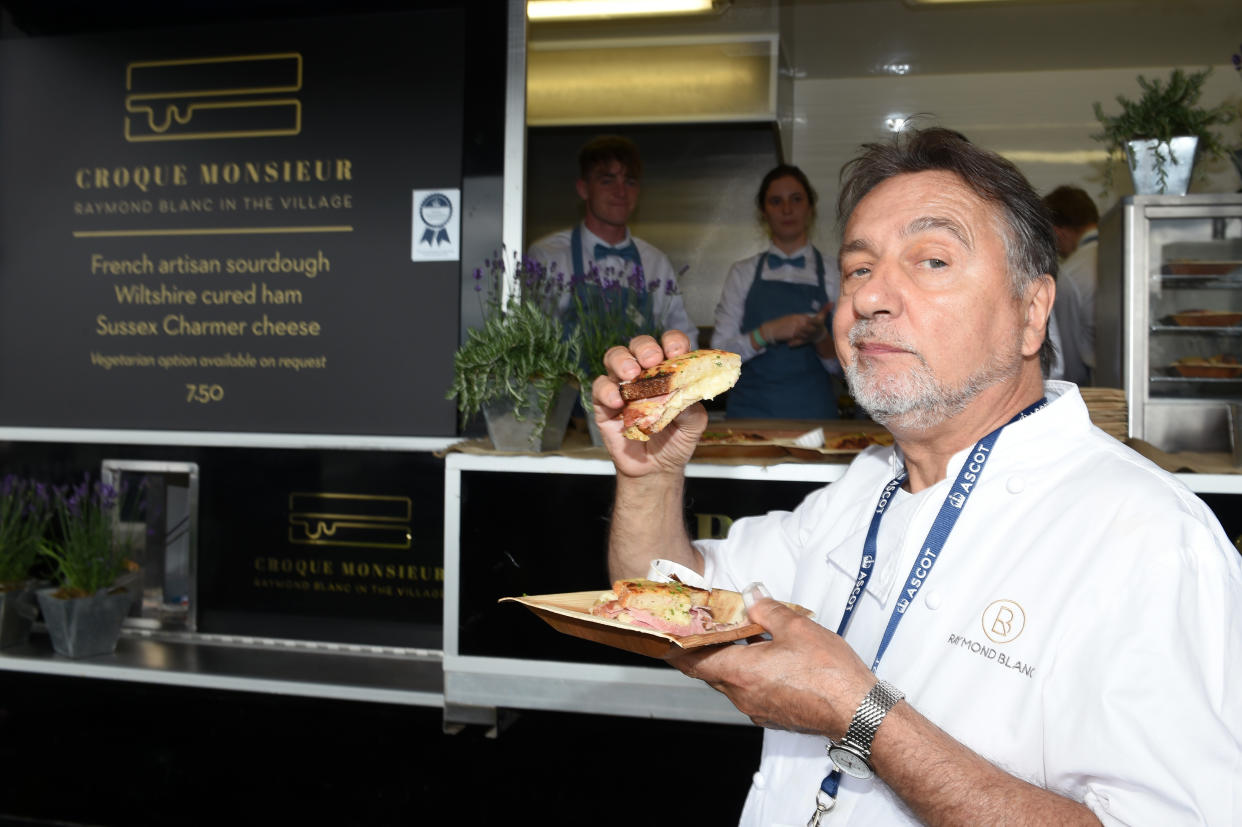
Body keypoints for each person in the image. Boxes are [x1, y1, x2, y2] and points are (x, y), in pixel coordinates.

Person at [590, 127, 1241, 825]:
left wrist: (862, 715)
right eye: (859, 269)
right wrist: (652, 477)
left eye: (930, 259)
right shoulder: (861, 489)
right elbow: (661, 601)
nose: (871, 298)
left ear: (1032, 311)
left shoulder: (1149, 539)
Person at [526, 134, 698, 348]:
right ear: (583, 189)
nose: (621, 192)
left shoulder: (655, 261)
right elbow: (529, 341)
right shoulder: (546, 255)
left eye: (630, 181)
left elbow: (683, 336)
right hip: (566, 383)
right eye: (607, 181)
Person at [711, 165, 840, 419]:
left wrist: (820, 337)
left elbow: (847, 369)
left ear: (810, 207)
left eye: (796, 199)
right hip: (748, 419)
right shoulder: (742, 273)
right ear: (763, 212)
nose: (787, 209)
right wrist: (765, 333)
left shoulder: (836, 272)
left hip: (816, 420)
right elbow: (718, 361)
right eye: (776, 201)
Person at [1043, 185, 1100, 386]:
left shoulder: (1070, 275)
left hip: (1098, 387)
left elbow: (1068, 357)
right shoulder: (1126, 253)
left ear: (1059, 233)